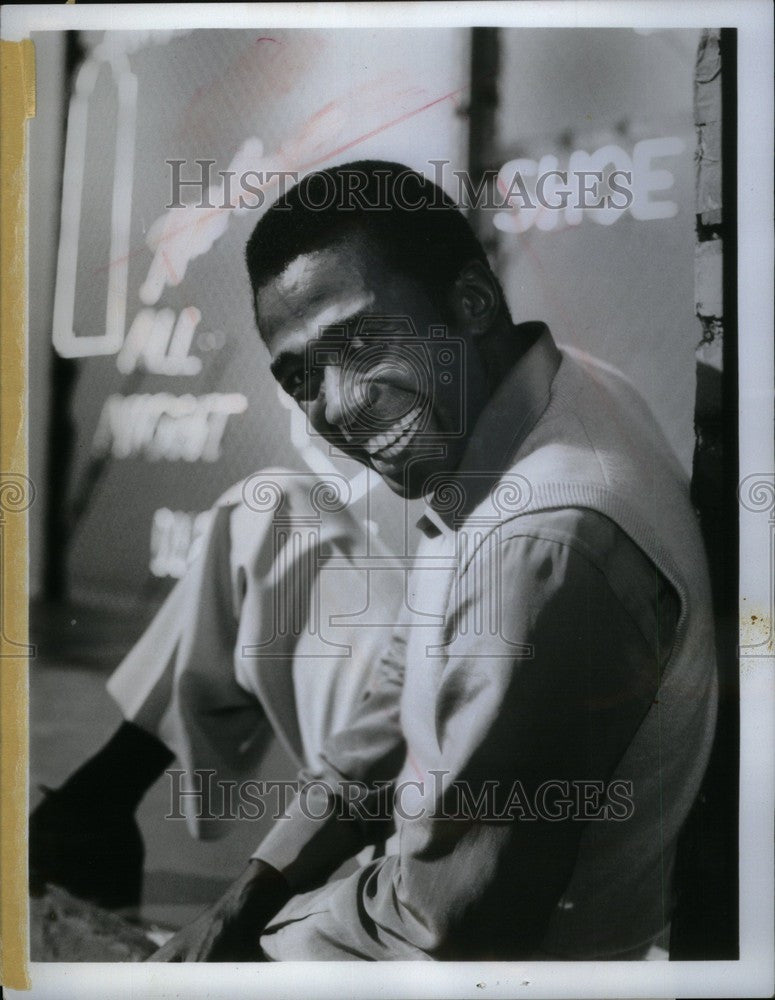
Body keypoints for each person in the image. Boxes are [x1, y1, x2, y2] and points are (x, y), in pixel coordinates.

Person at [146, 159, 718, 962]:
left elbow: (438, 934)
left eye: (360, 343)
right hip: (447, 766)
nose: (336, 408)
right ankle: (101, 805)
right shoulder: (550, 380)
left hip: (515, 958)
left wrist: (255, 938)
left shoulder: (541, 549)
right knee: (266, 510)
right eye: (301, 376)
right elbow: (401, 675)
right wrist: (256, 884)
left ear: (472, 303)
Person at [29, 468, 404, 910]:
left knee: (273, 504)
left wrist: (247, 904)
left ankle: (91, 807)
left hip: (437, 842)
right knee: (275, 503)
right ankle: (95, 806)